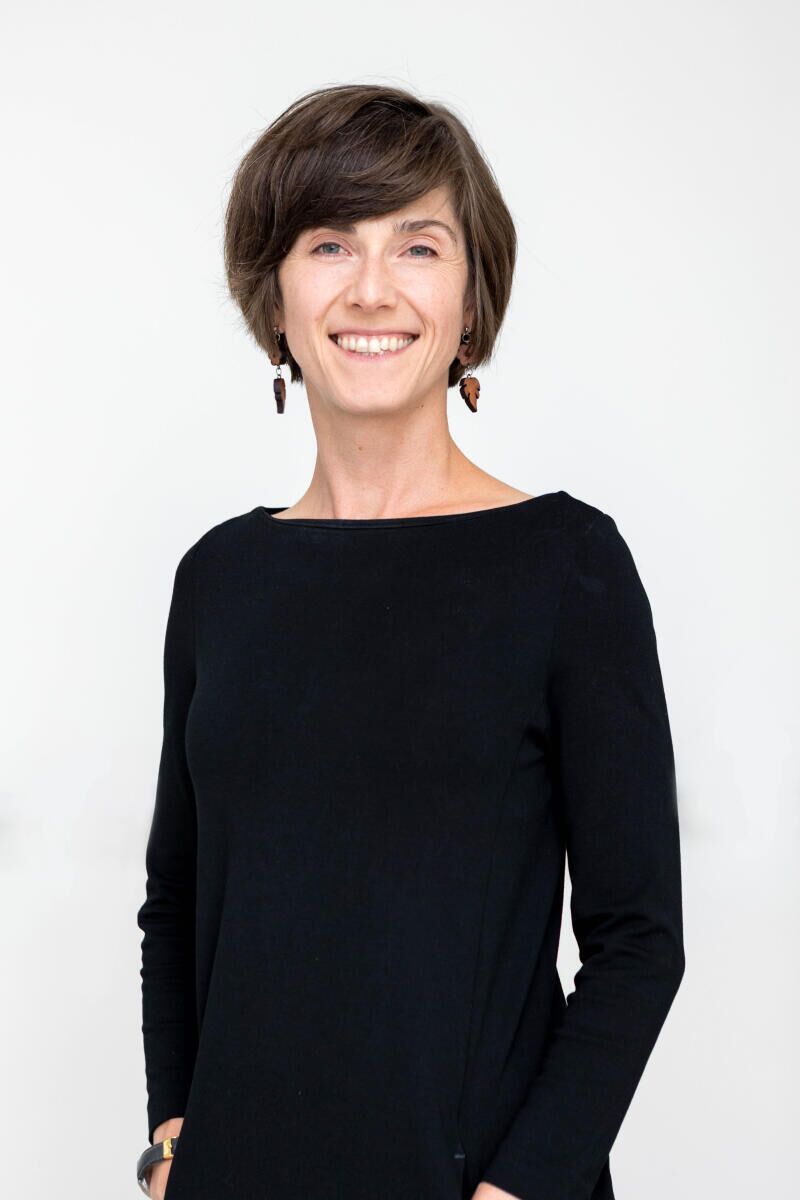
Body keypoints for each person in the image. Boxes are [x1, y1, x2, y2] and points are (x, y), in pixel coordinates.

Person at [135, 82, 685, 1200]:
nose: (372, 288)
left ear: (470, 302)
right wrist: (171, 1143)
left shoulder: (566, 566)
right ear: (275, 299)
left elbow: (637, 939)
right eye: (329, 244)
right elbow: (176, 898)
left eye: (418, 246)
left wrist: (520, 1189)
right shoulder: (219, 578)